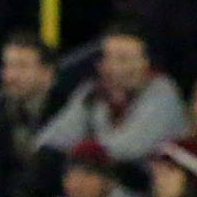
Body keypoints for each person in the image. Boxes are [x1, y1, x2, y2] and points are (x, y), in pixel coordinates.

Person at [34, 27, 187, 166]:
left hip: (147, 186)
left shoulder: (163, 92)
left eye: (124, 59)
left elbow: (130, 148)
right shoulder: (92, 92)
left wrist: (82, 152)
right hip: (101, 181)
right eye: (108, 58)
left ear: (146, 63)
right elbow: (53, 137)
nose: (114, 67)